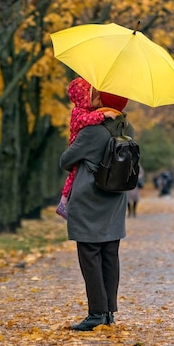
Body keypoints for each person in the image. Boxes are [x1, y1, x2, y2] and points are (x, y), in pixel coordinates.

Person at [59, 87, 131, 331]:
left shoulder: (92, 132)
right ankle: (109, 311)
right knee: (110, 254)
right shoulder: (124, 127)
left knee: (90, 255)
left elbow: (66, 160)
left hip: (90, 200)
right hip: (114, 201)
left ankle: (96, 313)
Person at [56, 78, 120, 218]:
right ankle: (63, 201)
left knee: (72, 175)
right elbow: (86, 120)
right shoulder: (79, 112)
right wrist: (104, 114)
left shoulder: (84, 111)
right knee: (72, 175)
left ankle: (64, 200)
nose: (97, 100)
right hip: (76, 143)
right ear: (84, 97)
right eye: (93, 96)